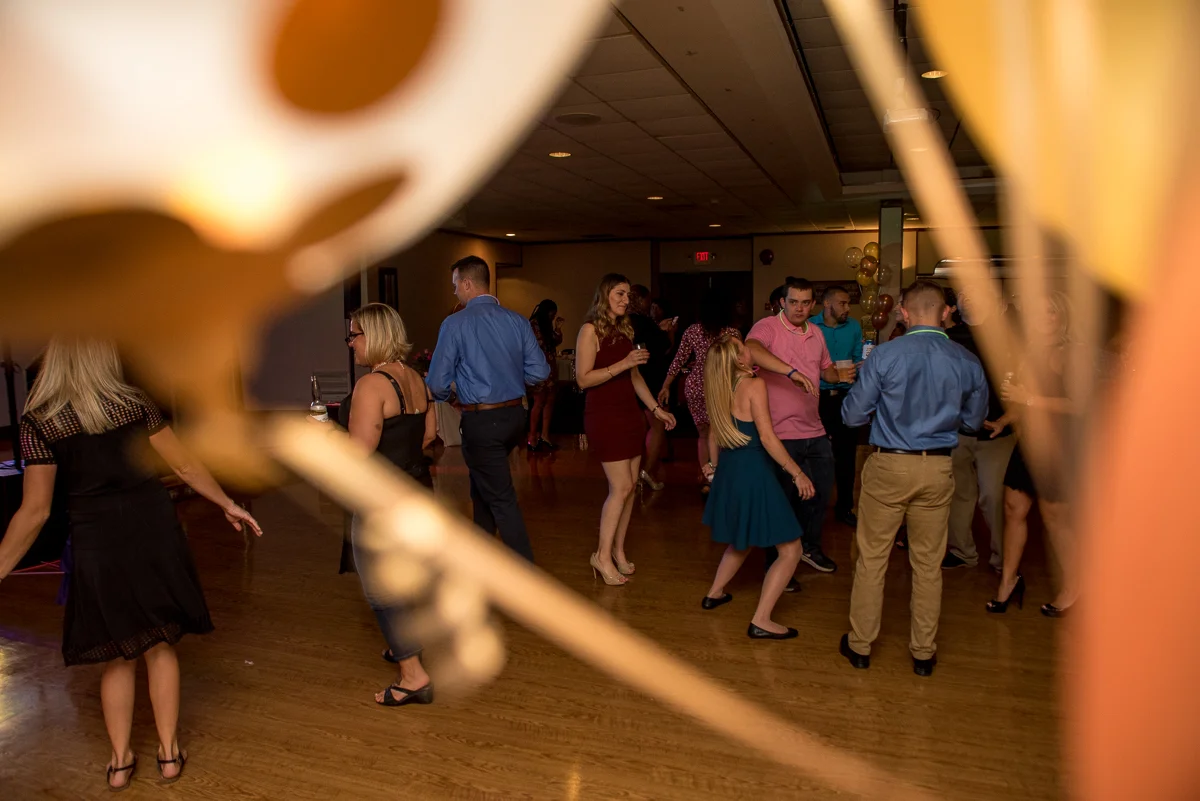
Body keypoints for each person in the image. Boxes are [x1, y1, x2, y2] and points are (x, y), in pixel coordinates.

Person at [0, 339, 262, 790]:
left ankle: (120, 763)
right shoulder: (133, 404)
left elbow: (35, 512)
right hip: (154, 531)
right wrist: (226, 503)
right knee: (160, 645)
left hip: (98, 541)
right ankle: (169, 754)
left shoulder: (39, 422)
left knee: (117, 654)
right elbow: (183, 465)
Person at [838, 281, 988, 677]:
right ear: (944, 312)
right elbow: (973, 422)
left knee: (872, 559)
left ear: (903, 312)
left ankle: (860, 647)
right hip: (938, 466)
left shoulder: (885, 355)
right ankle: (923, 653)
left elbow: (852, 417)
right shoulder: (966, 359)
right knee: (927, 564)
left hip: (889, 464)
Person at [345, 303, 438, 707]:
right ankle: (405, 644)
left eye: (355, 335)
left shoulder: (371, 385)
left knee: (381, 588)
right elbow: (428, 436)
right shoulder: (416, 378)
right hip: (417, 489)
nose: (350, 343)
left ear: (375, 336)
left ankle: (413, 676)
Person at [427, 255, 548, 562]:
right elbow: (540, 372)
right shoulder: (517, 320)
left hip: (484, 422)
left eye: (456, 285)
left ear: (467, 284)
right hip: (514, 418)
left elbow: (437, 384)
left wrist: (455, 388)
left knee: (501, 500)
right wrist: (506, 379)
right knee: (482, 491)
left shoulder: (455, 323)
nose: (455, 292)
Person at [700, 336, 812, 639]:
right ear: (739, 359)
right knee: (791, 549)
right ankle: (762, 619)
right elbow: (768, 438)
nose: (750, 349)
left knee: (741, 538)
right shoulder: (753, 385)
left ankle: (715, 592)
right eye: (744, 347)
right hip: (753, 470)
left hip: (730, 470)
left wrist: (712, 469)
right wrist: (797, 473)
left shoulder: (718, 388)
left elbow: (713, 436)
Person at [985, 290, 1081, 617]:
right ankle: (1008, 582)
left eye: (1050, 312)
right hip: (1029, 444)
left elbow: (1078, 404)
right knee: (1013, 508)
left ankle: (1073, 585)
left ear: (1061, 317)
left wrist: (1028, 400)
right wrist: (1004, 419)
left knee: (1055, 519)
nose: (1043, 319)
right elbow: (1023, 401)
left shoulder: (1068, 353)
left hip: (1059, 448)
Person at [576, 274, 677, 584]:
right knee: (620, 487)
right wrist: (622, 364)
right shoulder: (589, 330)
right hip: (605, 417)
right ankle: (601, 556)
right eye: (619, 294)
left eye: (627, 295)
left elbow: (635, 378)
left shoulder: (625, 328)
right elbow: (583, 379)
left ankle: (618, 551)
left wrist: (656, 410)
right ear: (604, 295)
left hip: (629, 414)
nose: (625, 300)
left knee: (630, 487)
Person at [744, 277, 840, 574]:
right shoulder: (768, 327)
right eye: (794, 301)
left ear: (813, 305)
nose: (799, 307)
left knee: (820, 495)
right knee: (783, 501)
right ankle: (776, 564)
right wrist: (791, 372)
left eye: (805, 302)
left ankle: (809, 549)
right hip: (780, 432)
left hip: (815, 429)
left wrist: (845, 373)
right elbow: (751, 350)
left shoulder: (816, 334)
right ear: (782, 302)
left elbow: (827, 371)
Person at [942, 287, 1015, 572]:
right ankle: (962, 552)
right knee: (959, 495)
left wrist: (1005, 420)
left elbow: (1025, 387)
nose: (969, 296)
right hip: (955, 432)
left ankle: (1003, 558)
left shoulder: (1008, 339)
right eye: (963, 292)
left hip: (997, 432)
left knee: (994, 498)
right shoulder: (946, 339)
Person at [659, 292, 741, 492]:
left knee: (703, 434)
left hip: (696, 385)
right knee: (720, 433)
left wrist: (666, 385)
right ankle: (720, 476)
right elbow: (738, 363)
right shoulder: (732, 334)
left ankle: (705, 476)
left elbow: (679, 360)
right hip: (721, 386)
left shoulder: (692, 331)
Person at [811, 285, 864, 527]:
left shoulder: (853, 326)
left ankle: (845, 507)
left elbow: (855, 357)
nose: (847, 308)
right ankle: (812, 506)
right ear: (828, 304)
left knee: (846, 456)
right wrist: (826, 376)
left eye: (848, 303)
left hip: (845, 398)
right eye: (842, 303)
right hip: (816, 398)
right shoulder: (810, 326)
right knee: (815, 455)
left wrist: (860, 366)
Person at [628, 284, 673, 491]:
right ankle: (645, 471)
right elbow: (664, 348)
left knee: (638, 428)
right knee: (657, 425)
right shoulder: (644, 323)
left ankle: (635, 472)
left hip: (629, 380)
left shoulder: (622, 323)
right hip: (649, 379)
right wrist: (669, 332)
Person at [527, 299, 563, 452]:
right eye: (551, 314)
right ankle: (532, 436)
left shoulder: (547, 325)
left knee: (550, 400)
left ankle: (545, 435)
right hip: (539, 366)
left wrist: (557, 329)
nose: (552, 317)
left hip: (550, 365)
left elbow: (555, 341)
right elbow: (539, 343)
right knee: (539, 401)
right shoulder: (534, 324)